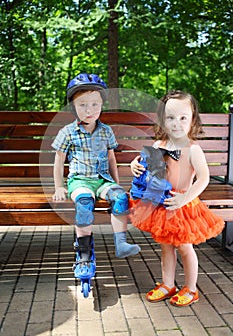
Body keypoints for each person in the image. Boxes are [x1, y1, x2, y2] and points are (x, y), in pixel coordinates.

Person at [129, 90, 225, 307]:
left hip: (183, 205)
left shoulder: (193, 150)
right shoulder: (157, 146)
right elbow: (147, 168)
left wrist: (183, 200)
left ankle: (191, 289)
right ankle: (167, 284)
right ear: (162, 120)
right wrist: (135, 164)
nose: (176, 123)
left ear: (192, 120)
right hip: (162, 205)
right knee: (165, 246)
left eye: (183, 118)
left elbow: (203, 179)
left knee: (184, 247)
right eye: (170, 118)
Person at [52, 73, 140, 283]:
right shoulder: (67, 132)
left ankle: (121, 243)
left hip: (102, 180)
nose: (89, 110)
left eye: (94, 104)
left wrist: (115, 184)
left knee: (120, 198)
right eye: (83, 105)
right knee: (84, 202)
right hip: (80, 181)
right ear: (73, 107)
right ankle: (83, 255)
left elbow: (111, 159)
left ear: (102, 105)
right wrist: (58, 187)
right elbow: (58, 160)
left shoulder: (106, 131)